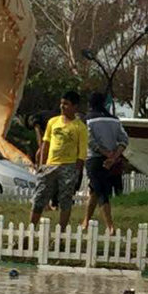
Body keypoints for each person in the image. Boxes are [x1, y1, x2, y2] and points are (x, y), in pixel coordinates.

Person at [31, 91, 87, 228]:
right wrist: (42, 165)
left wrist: (76, 172)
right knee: (39, 198)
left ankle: (61, 233)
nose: (62, 107)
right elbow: (46, 144)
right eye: (61, 103)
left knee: (65, 201)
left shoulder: (80, 127)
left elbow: (81, 153)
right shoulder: (53, 122)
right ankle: (30, 230)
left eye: (66, 104)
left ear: (75, 107)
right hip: (50, 166)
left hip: (68, 166)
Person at [81, 92, 130, 232]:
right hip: (111, 160)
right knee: (94, 190)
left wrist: (105, 153)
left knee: (100, 191)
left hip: (94, 159)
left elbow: (89, 141)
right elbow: (124, 140)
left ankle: (110, 226)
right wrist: (114, 156)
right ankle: (86, 220)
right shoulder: (115, 120)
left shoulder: (88, 120)